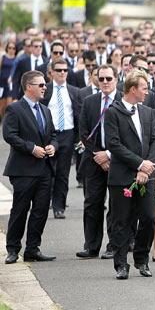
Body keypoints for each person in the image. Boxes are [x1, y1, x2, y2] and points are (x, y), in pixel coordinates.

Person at [103, 69, 155, 279]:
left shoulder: (146, 112)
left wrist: (148, 166)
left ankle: (141, 259)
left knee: (149, 218)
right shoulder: (113, 112)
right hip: (122, 176)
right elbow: (114, 144)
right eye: (144, 88)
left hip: (147, 175)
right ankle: (120, 264)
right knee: (122, 221)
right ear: (133, 89)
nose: (148, 92)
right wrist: (139, 164)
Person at [3, 71, 58, 264]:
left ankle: (33, 249)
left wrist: (53, 146)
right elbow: (10, 135)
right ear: (29, 87)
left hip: (44, 169)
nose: (45, 88)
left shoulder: (46, 110)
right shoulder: (15, 109)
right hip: (23, 170)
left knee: (40, 211)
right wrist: (31, 148)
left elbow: (53, 135)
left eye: (45, 84)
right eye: (41, 85)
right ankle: (12, 249)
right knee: (20, 209)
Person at [75, 64, 118, 260]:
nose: (105, 82)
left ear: (116, 79)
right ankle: (91, 246)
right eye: (102, 79)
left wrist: (108, 154)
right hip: (93, 159)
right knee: (92, 203)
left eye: (109, 79)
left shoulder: (123, 101)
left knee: (117, 205)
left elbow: (129, 135)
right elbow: (84, 132)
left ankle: (114, 245)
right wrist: (98, 155)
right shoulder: (90, 101)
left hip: (118, 160)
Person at [41, 59, 81, 219]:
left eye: (65, 70)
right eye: (59, 70)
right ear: (51, 72)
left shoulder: (73, 91)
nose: (63, 72)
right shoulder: (46, 89)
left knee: (63, 173)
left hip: (68, 134)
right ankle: (45, 203)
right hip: (49, 135)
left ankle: (59, 206)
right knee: (48, 171)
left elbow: (78, 115)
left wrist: (79, 137)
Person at [0, 41, 18, 116]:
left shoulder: (17, 59)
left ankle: (6, 123)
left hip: (11, 84)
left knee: (9, 105)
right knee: (2, 106)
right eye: (9, 48)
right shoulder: (3, 57)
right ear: (7, 48)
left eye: (13, 48)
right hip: (1, 83)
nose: (11, 49)